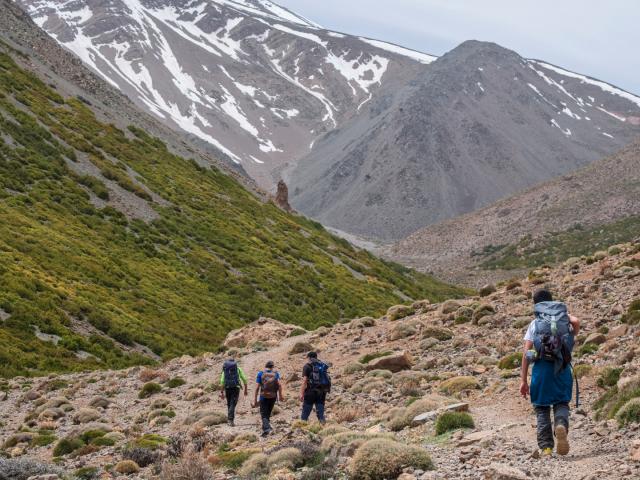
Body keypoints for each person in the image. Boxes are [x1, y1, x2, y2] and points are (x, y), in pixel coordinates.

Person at [520, 289, 580, 456]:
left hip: (541, 370)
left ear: (536, 304)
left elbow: (526, 354)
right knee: (561, 403)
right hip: (562, 369)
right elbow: (576, 321)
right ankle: (560, 424)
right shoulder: (563, 320)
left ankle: (546, 448)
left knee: (541, 408)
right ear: (552, 302)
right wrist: (566, 317)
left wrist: (523, 380)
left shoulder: (535, 323)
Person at [253, 360, 284, 436]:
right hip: (273, 396)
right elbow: (279, 385)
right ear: (272, 367)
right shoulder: (276, 374)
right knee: (268, 413)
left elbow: (257, 387)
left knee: (264, 414)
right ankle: (266, 429)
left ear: (265, 366)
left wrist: (255, 399)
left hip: (263, 396)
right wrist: (280, 395)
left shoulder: (260, 373)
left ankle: (267, 429)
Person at [300, 351, 331, 424]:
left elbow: (304, 381)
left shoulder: (307, 366)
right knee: (320, 414)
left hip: (310, 392)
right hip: (322, 392)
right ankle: (323, 425)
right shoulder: (322, 366)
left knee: (305, 413)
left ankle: (302, 429)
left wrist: (301, 393)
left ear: (309, 358)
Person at [219, 357, 248, 427]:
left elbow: (222, 381)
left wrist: (222, 392)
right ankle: (230, 420)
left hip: (227, 388)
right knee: (233, 403)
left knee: (229, 403)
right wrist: (246, 389)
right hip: (236, 388)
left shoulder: (225, 370)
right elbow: (244, 379)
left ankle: (230, 419)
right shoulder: (238, 369)